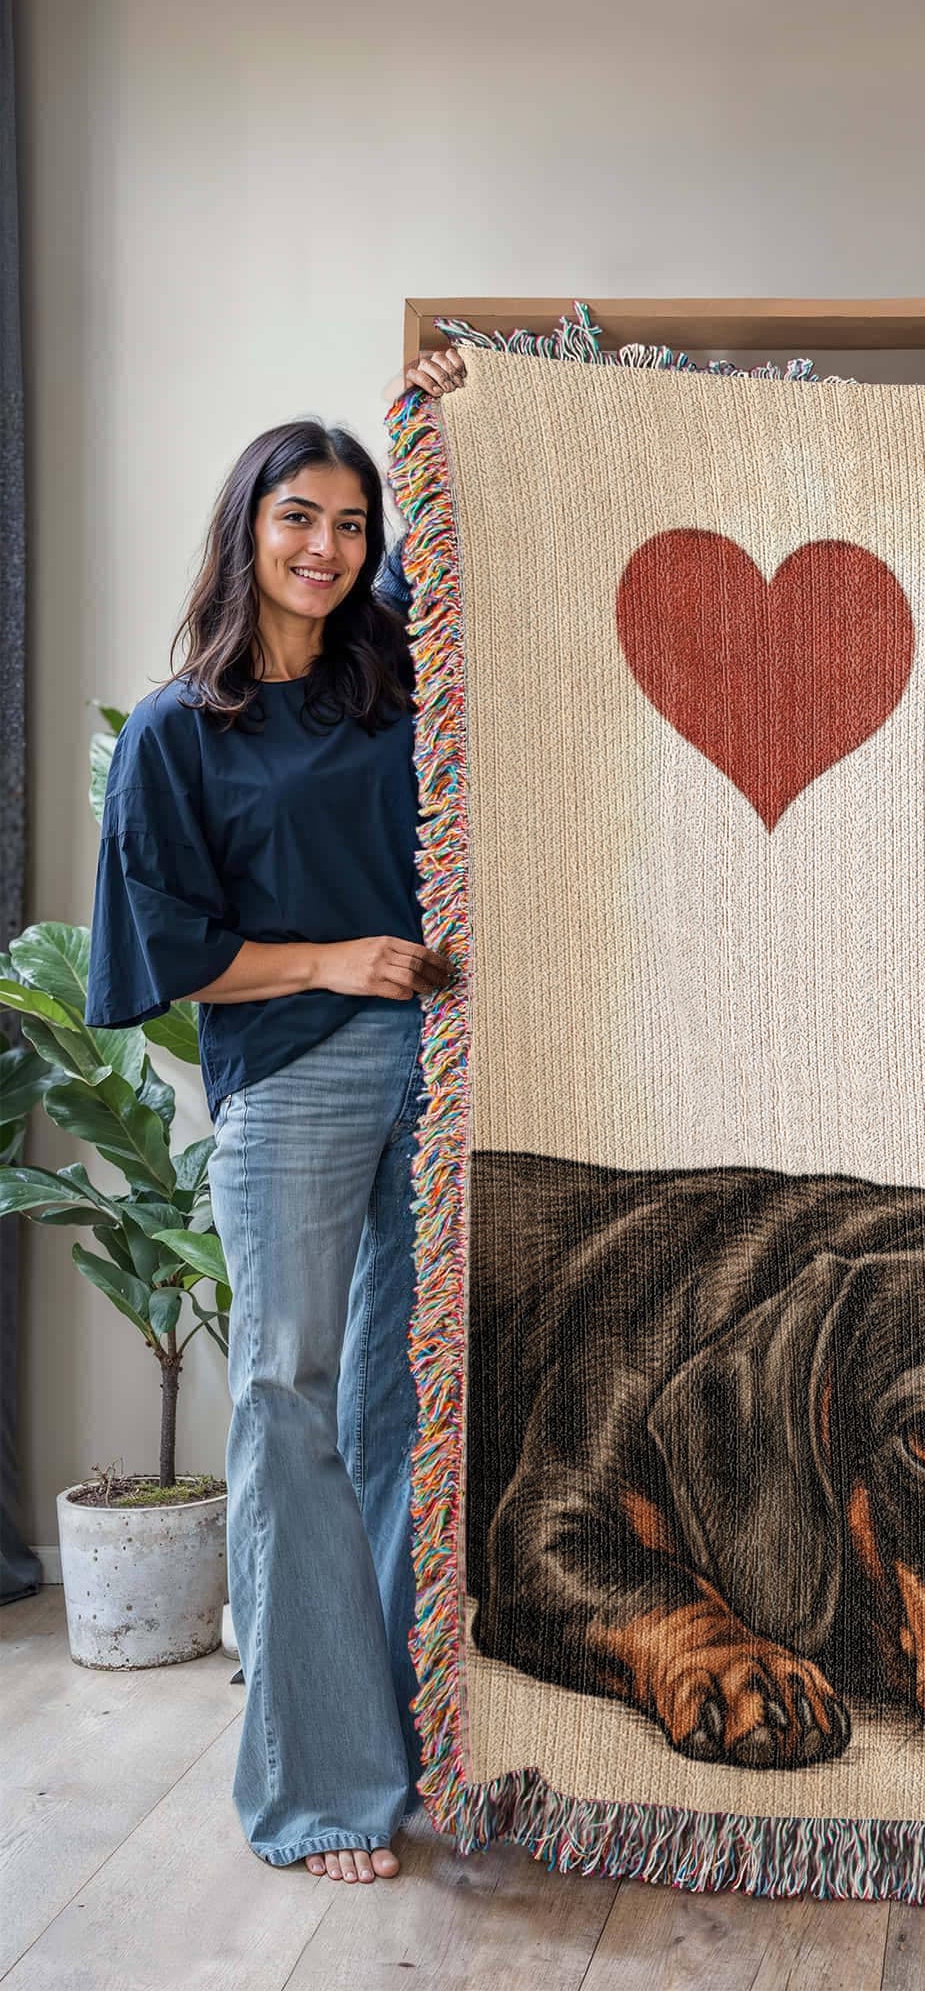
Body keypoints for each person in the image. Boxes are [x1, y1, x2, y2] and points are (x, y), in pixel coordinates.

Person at [86, 410, 451, 1883]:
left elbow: (473, 539)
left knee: (401, 1406)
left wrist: (451, 411)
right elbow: (159, 957)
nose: (326, 548)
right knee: (287, 1405)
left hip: (438, 1073)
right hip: (290, 1082)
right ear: (247, 526)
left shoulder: (396, 674)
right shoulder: (183, 728)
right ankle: (313, 1791)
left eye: (350, 525)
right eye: (298, 517)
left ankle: (391, 1743)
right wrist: (330, 962)